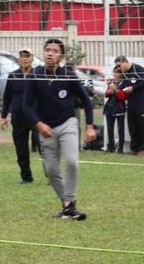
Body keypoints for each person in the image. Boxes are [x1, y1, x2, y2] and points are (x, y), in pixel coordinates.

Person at [23, 38, 96, 220]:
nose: (49, 53)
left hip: (67, 123)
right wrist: (39, 124)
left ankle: (69, 203)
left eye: (54, 51)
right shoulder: (35, 75)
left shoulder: (68, 75)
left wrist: (89, 126)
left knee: (71, 161)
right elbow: (26, 105)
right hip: (46, 127)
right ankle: (68, 206)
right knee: (51, 170)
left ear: (61, 56)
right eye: (47, 50)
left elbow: (86, 100)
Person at [1, 47, 38, 184]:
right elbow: (7, 97)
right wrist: (4, 116)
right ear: (18, 59)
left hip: (36, 117)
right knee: (21, 149)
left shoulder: (38, 74)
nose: (24, 59)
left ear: (32, 58)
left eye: (27, 56)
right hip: (18, 117)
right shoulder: (13, 76)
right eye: (22, 56)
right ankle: (26, 177)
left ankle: (51, 175)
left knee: (44, 146)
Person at [114, 55, 144, 155]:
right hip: (131, 104)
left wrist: (133, 89)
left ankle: (143, 148)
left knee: (141, 127)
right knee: (132, 127)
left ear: (125, 62)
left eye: (119, 65)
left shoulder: (138, 69)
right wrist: (115, 88)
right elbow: (123, 88)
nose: (119, 68)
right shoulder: (125, 74)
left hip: (141, 104)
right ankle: (134, 148)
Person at [103, 65, 127, 153]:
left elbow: (123, 97)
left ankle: (120, 148)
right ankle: (111, 147)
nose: (116, 74)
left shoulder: (125, 82)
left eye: (118, 72)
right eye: (115, 72)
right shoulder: (112, 82)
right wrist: (109, 90)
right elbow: (106, 94)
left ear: (122, 74)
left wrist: (116, 90)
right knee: (110, 128)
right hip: (109, 107)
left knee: (120, 129)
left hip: (119, 107)